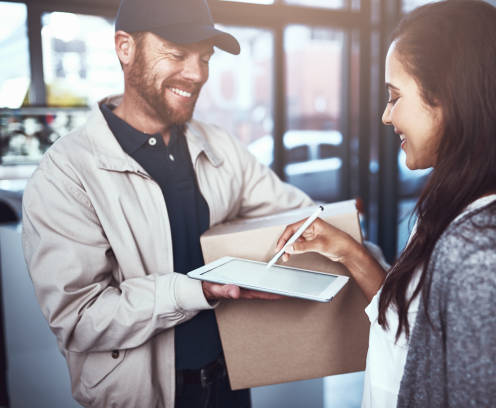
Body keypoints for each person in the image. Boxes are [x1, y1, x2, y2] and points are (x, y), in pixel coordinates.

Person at [275, 1, 496, 407]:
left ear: (449, 99)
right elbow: (412, 332)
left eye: (394, 96)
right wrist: (348, 252)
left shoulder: (489, 256)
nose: (386, 116)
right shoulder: (458, 215)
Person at [21, 0, 312, 407]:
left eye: (205, 58)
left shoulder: (219, 145)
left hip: (231, 381)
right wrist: (195, 290)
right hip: (145, 396)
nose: (196, 74)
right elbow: (79, 317)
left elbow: (292, 214)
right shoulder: (68, 174)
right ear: (125, 48)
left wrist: (333, 230)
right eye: (176, 53)